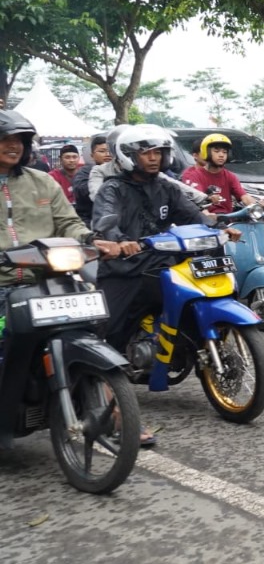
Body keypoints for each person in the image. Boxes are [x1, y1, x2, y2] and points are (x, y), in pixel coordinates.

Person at [93, 125, 211, 447]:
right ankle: (112, 413)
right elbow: (105, 221)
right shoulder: (112, 189)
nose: (154, 158)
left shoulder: (165, 187)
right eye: (146, 152)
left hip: (159, 264)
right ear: (129, 155)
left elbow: (192, 215)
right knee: (107, 338)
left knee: (194, 295)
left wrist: (221, 226)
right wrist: (118, 241)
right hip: (123, 269)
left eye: (158, 152)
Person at [0, 112, 123, 373]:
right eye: (4, 139)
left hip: (44, 281)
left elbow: (68, 222)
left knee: (85, 327)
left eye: (18, 140)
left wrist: (92, 239)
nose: (13, 145)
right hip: (2, 285)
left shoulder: (42, 182)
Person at [180, 134, 258, 216]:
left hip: (227, 221)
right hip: (204, 223)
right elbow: (197, 202)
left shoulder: (230, 176)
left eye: (225, 152)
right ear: (206, 153)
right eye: (216, 151)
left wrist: (257, 206)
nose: (221, 155)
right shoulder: (193, 175)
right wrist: (207, 215)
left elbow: (244, 196)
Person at [73, 134, 111, 224]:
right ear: (92, 155)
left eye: (110, 151)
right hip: (89, 219)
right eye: (102, 151)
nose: (108, 154)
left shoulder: (120, 171)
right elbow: (82, 190)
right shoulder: (85, 172)